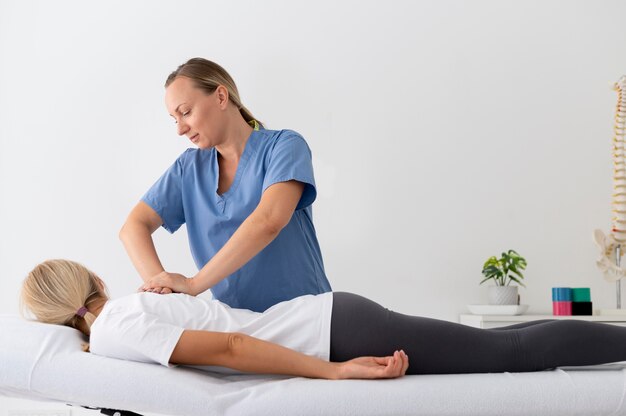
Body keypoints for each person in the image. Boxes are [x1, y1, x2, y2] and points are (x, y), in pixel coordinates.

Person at [20, 259, 626, 379]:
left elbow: (230, 347)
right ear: (94, 281)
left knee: (509, 355)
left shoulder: (115, 330)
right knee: (505, 343)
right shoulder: (123, 316)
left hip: (334, 331)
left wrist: (331, 373)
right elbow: (223, 337)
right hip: (332, 323)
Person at [119, 58, 331, 312]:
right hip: (238, 330)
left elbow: (269, 220)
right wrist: (166, 292)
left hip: (307, 317)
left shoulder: (284, 147)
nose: (180, 129)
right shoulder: (189, 169)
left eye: (185, 112)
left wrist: (193, 284)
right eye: (174, 119)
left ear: (221, 97)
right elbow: (133, 227)